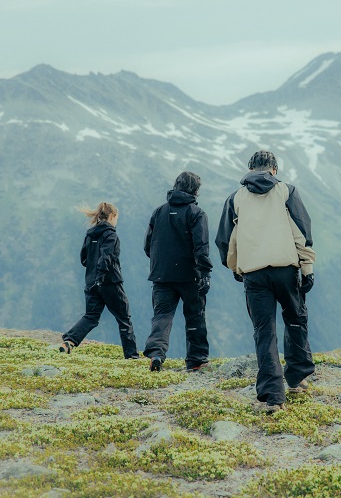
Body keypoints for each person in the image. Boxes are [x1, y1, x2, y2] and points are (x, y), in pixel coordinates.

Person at [215, 150, 316, 413]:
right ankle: (296, 377)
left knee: (264, 331)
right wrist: (307, 268)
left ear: (250, 169)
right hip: (285, 268)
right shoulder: (287, 191)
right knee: (295, 318)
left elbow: (226, 240)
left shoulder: (235, 198)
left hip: (254, 274)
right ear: (274, 169)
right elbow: (302, 231)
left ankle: (274, 396)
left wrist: (236, 267)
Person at [143, 171, 213, 372]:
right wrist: (205, 274)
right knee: (194, 316)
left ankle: (156, 353)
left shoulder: (159, 211)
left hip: (161, 275)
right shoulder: (196, 213)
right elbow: (201, 247)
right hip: (189, 276)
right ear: (195, 190)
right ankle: (196, 360)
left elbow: (148, 245)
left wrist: (161, 263)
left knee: (162, 315)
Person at [60, 202, 140, 359]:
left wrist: (94, 275)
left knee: (91, 316)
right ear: (112, 216)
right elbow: (106, 257)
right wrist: (101, 276)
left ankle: (69, 341)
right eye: (117, 217)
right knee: (124, 319)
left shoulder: (90, 235)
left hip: (91, 283)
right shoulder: (111, 235)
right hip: (110, 283)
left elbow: (84, 259)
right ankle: (132, 357)